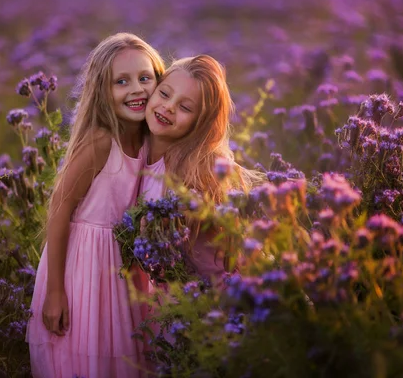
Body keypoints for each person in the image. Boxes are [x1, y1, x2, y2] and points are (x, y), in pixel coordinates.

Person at [26, 32, 165, 378]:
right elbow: (59, 210)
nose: (137, 90)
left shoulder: (150, 140)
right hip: (83, 268)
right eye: (122, 82)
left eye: (145, 78)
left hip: (122, 268)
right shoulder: (102, 141)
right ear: (103, 92)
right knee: (85, 354)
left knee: (121, 354)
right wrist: (56, 290)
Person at [140, 54, 264, 287]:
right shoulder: (139, 153)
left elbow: (212, 267)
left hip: (210, 299)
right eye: (164, 93)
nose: (168, 107)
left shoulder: (196, 174)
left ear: (200, 123)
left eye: (185, 107)